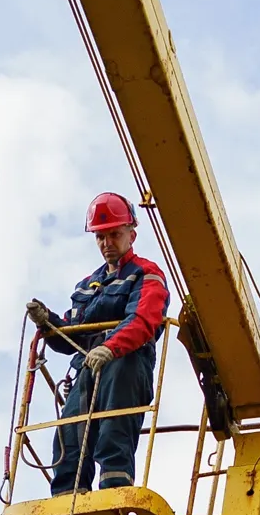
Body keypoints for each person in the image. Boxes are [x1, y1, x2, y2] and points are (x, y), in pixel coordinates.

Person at [26, 192, 170, 496]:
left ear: (132, 233)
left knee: (112, 429)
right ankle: (65, 497)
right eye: (100, 237)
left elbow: (144, 320)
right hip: (87, 370)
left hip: (125, 366)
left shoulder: (146, 274)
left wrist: (111, 347)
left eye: (114, 235)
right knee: (69, 436)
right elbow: (71, 335)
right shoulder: (87, 285)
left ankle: (114, 491)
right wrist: (48, 322)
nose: (107, 243)